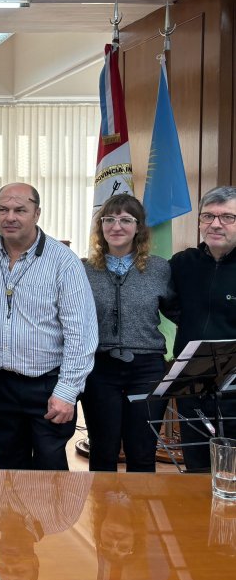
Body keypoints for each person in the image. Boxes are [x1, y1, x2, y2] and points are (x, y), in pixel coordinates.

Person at [0, 183, 97, 470]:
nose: (10, 217)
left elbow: (82, 334)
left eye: (20, 210)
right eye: (3, 209)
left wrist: (67, 392)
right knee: (9, 472)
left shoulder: (63, 262)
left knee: (49, 476)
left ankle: (49, 518)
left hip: (47, 386)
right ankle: (14, 519)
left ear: (37, 213)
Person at [81, 194, 175, 472]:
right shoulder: (84, 269)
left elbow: (180, 311)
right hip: (99, 368)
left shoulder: (160, 268)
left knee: (142, 450)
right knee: (103, 450)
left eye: (125, 220)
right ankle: (102, 515)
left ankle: (141, 515)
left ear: (139, 227)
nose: (116, 226)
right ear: (101, 227)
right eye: (109, 219)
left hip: (147, 369)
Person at [168, 185, 236, 471]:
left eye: (227, 217)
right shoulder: (182, 264)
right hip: (193, 382)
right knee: (196, 465)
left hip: (235, 385)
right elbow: (168, 304)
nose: (215, 224)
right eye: (208, 216)